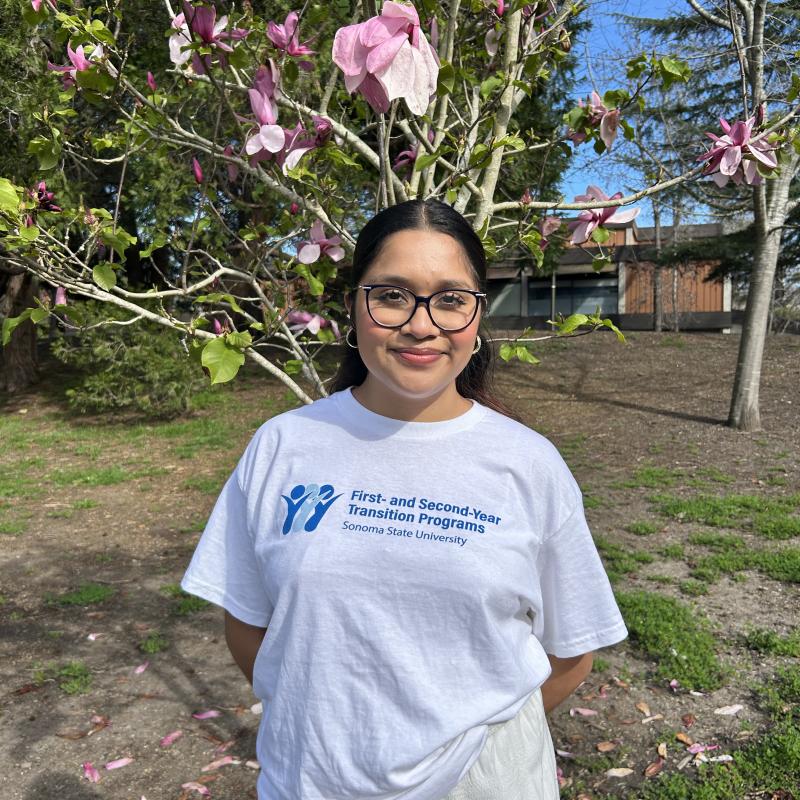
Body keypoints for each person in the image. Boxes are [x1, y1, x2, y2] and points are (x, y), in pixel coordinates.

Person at [180, 199, 628, 800]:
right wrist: (328, 727)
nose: (421, 325)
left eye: (451, 299)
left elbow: (572, 654)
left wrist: (469, 743)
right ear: (353, 307)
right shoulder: (284, 445)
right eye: (392, 295)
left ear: (477, 314)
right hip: (312, 779)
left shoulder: (530, 464)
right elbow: (247, 622)